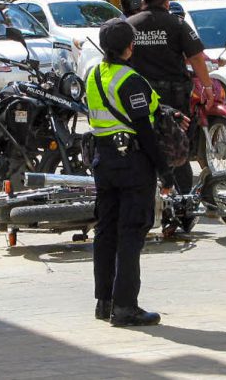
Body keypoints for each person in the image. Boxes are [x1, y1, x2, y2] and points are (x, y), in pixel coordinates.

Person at [87, 18, 172, 327]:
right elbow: (144, 131)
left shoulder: (94, 74)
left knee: (106, 231)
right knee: (131, 232)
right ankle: (125, 307)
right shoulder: (130, 79)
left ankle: (104, 301)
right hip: (132, 164)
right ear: (129, 47)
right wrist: (165, 169)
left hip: (104, 161)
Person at [127, 0, 214, 194]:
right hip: (174, 97)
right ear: (167, 2)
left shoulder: (129, 25)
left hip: (139, 97)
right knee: (177, 144)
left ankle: (147, 192)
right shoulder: (177, 24)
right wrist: (208, 87)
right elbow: (196, 57)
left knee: (142, 142)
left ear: (143, 2)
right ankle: (182, 197)